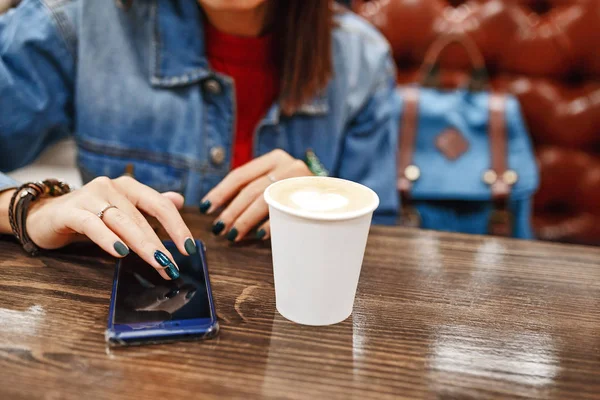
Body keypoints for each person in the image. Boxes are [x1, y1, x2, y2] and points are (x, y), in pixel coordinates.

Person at [0, 0, 399, 280]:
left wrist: (316, 190)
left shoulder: (362, 59)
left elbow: (381, 235)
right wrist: (30, 208)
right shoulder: (72, 23)